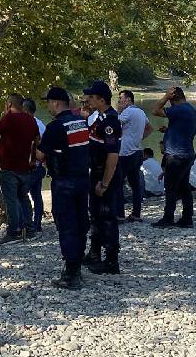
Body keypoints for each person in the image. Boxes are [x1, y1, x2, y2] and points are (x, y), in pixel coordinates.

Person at [35, 87, 91, 289]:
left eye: (48, 102)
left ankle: (71, 273)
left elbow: (40, 156)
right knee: (80, 222)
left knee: (66, 225)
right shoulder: (81, 122)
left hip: (64, 182)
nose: (48, 106)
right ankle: (77, 266)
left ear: (56, 103)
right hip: (83, 179)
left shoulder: (55, 126)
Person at [83, 81, 123, 275]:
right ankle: (94, 252)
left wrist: (105, 183)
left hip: (104, 174)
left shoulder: (110, 122)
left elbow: (113, 156)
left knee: (107, 216)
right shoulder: (98, 118)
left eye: (90, 97)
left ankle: (111, 260)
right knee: (96, 215)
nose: (87, 100)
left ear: (101, 99)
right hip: (95, 172)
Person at [0, 93, 40, 243]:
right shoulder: (31, 120)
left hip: (9, 167)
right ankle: (30, 229)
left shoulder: (9, 118)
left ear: (9, 104)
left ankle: (14, 232)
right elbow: (37, 140)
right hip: (25, 167)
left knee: (11, 200)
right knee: (24, 198)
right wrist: (33, 159)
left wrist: (4, 115)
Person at [152, 87, 196, 228]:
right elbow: (184, 130)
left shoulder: (179, 109)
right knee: (184, 187)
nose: (169, 104)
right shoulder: (190, 109)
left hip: (177, 156)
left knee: (170, 188)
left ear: (173, 98)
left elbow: (155, 110)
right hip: (187, 154)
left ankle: (168, 219)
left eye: (170, 100)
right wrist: (169, 130)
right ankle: (187, 218)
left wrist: (165, 97)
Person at [115, 90, 152, 221]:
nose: (119, 101)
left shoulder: (127, 112)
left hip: (125, 152)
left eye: (120, 99)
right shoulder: (141, 112)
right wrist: (138, 138)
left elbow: (114, 124)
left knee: (118, 183)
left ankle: (119, 214)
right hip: (137, 151)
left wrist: (118, 110)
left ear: (128, 100)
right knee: (135, 184)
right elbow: (149, 128)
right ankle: (136, 213)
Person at [22, 98, 47, 233]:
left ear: (25, 110)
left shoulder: (29, 125)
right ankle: (37, 224)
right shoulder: (41, 125)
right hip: (39, 165)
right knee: (37, 195)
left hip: (30, 167)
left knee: (22, 194)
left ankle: (28, 224)